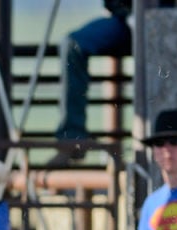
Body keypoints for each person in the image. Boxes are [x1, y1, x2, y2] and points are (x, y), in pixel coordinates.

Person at [47, 0, 133, 166]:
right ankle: (72, 138)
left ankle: (168, 140)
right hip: (125, 19)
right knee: (72, 45)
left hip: (164, 14)